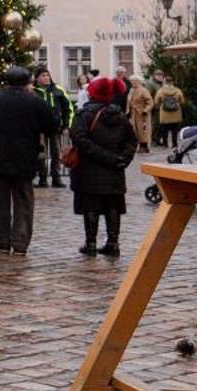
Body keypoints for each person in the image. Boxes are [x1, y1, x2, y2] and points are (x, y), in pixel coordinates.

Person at [0, 65, 60, 255]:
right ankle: (20, 242)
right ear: (28, 81)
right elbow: (51, 125)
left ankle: (1, 241)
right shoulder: (35, 101)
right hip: (25, 156)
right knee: (23, 200)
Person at [70, 75, 135, 257]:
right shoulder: (120, 116)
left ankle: (91, 243)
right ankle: (113, 243)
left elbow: (79, 139)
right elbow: (132, 140)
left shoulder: (84, 115)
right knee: (112, 206)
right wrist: (122, 159)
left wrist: (107, 157)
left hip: (89, 168)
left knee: (91, 206)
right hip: (114, 169)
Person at [32, 67, 74, 187]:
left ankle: (56, 177)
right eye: (43, 76)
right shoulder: (33, 91)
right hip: (39, 129)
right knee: (41, 154)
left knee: (56, 154)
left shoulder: (58, 90)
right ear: (37, 78)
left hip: (55, 128)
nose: (46, 78)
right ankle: (43, 177)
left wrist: (66, 125)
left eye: (47, 75)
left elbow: (68, 108)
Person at [152, 71, 185, 148]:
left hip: (164, 113)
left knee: (164, 130)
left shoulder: (161, 91)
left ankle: (165, 144)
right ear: (172, 82)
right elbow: (182, 101)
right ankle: (174, 144)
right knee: (174, 130)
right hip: (176, 113)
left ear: (165, 81)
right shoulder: (177, 90)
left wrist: (161, 104)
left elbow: (156, 101)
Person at [122, 70, 153, 153]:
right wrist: (127, 111)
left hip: (142, 114)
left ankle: (144, 146)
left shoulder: (144, 90)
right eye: (131, 81)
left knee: (143, 130)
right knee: (134, 130)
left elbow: (150, 102)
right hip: (133, 114)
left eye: (133, 81)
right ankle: (138, 145)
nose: (132, 82)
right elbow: (129, 102)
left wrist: (145, 110)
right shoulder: (131, 91)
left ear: (138, 81)